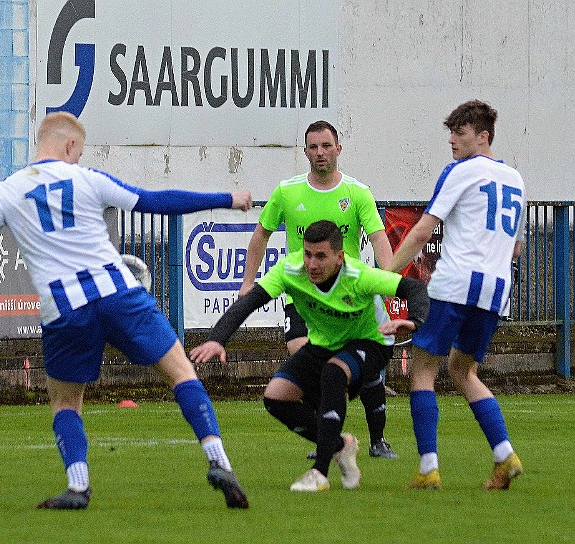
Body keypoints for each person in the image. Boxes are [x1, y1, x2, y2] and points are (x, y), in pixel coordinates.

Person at [0, 111, 253, 510]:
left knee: (65, 402)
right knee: (181, 372)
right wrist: (226, 198)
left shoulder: (5, 192)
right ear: (70, 146)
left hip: (63, 308)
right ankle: (219, 461)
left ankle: (78, 487)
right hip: (118, 292)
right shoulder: (86, 178)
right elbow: (154, 202)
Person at [191, 220, 429, 492]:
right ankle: (341, 445)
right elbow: (250, 301)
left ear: (340, 258)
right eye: (307, 254)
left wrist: (414, 320)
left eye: (321, 256)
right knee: (276, 397)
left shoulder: (359, 276)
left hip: (371, 342)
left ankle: (320, 473)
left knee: (334, 372)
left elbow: (415, 289)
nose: (312, 264)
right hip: (324, 343)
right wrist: (217, 339)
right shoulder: (290, 270)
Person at [238, 120, 400, 460]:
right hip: (306, 295)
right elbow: (261, 235)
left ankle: (378, 439)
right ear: (305, 151)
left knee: (365, 366)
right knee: (303, 355)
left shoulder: (357, 193)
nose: (320, 153)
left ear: (338, 149)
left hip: (352, 296)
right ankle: (330, 438)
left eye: (326, 146)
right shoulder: (288, 191)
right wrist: (248, 282)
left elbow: (378, 239)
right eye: (313, 147)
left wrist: (389, 282)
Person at [385, 99, 525, 490]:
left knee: (423, 368)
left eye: (460, 133)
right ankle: (504, 455)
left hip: (456, 284)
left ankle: (428, 467)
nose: (452, 140)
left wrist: (384, 275)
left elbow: (421, 231)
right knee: (463, 370)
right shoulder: (515, 179)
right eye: (451, 132)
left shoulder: (461, 171)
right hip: (495, 291)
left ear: (483, 137)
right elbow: (515, 248)